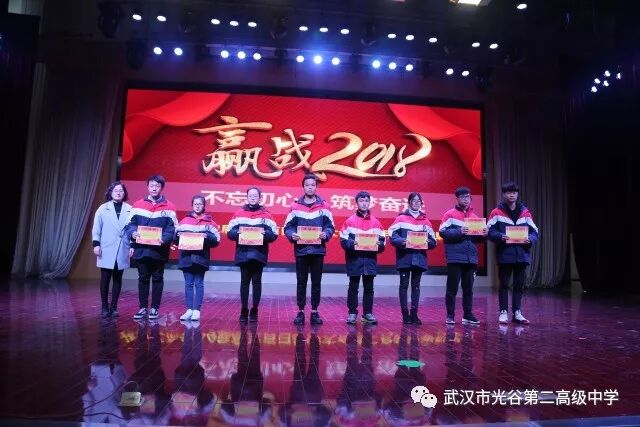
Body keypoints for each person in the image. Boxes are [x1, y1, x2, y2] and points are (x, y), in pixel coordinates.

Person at [284, 173, 335, 326]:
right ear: (303, 187)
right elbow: (288, 227)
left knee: (316, 283)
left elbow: (330, 226)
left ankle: (314, 311)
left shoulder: (324, 206)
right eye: (307, 185)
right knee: (301, 282)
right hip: (301, 250)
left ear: (316, 187)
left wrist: (326, 233)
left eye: (313, 185)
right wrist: (292, 235)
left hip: (318, 250)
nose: (310, 187)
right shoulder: (295, 206)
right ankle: (300, 311)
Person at [125, 174, 177, 320]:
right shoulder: (137, 205)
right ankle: (142, 308)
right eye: (152, 185)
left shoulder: (170, 207)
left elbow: (172, 228)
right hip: (141, 249)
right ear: (148, 187)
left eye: (157, 186)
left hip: (159, 250)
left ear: (162, 188)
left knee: (158, 278)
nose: (154, 188)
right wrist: (133, 233)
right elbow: (129, 224)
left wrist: (164, 239)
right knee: (142, 278)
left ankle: (154, 308)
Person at [488, 182, 539, 325]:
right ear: (504, 194)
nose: (512, 195)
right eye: (509, 192)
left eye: (514, 192)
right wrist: (500, 236)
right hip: (505, 254)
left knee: (518, 285)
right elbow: (489, 231)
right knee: (504, 284)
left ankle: (517, 312)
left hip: (521, 255)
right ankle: (503, 312)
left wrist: (530, 239)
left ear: (517, 194)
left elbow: (535, 231)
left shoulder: (525, 212)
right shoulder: (496, 212)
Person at [227, 187, 278, 323]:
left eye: (255, 196)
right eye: (250, 195)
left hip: (259, 254)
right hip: (243, 254)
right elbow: (229, 232)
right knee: (244, 282)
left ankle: (254, 310)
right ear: (247, 197)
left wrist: (265, 234)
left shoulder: (267, 215)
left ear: (260, 198)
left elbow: (274, 234)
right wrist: (236, 233)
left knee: (256, 282)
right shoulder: (238, 214)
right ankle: (244, 310)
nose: (253, 197)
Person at [439, 186, 488, 325]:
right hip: (455, 257)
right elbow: (442, 232)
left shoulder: (474, 217)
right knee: (452, 288)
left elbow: (478, 239)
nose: (466, 200)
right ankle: (450, 315)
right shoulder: (449, 214)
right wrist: (459, 231)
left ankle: (467, 314)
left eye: (468, 197)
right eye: (463, 197)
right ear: (457, 199)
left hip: (470, 258)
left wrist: (484, 235)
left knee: (468, 289)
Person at [389, 192, 437, 325]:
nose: (416, 203)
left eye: (419, 201)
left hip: (419, 258)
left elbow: (433, 241)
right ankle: (405, 315)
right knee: (404, 286)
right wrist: (402, 241)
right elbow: (392, 235)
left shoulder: (426, 221)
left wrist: (426, 242)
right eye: (414, 200)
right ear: (409, 202)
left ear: (421, 203)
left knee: (416, 287)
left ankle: (414, 314)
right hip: (405, 257)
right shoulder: (400, 219)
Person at [339, 191, 386, 325]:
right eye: (361, 201)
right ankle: (352, 313)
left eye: (366, 201)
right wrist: (352, 244)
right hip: (354, 260)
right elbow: (343, 240)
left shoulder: (376, 223)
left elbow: (383, 242)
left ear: (369, 203)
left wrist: (379, 245)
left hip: (370, 261)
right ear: (357, 203)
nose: (364, 203)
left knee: (369, 288)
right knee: (353, 287)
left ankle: (367, 313)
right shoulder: (349, 221)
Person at [91, 181, 133, 317]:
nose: (118, 193)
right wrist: (96, 244)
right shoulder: (103, 208)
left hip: (122, 247)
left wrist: (132, 245)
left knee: (118, 278)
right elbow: (96, 228)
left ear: (124, 193)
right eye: (115, 190)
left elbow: (133, 229)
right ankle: (104, 306)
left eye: (121, 191)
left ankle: (114, 307)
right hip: (106, 247)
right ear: (110, 192)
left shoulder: (130, 209)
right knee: (105, 278)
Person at [176, 195, 220, 322]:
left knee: (199, 284)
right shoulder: (184, 221)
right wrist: (177, 235)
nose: (197, 206)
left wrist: (207, 236)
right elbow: (175, 238)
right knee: (188, 284)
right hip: (186, 257)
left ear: (204, 206)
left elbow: (217, 240)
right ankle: (189, 309)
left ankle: (196, 310)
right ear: (192, 205)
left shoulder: (210, 223)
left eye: (200, 204)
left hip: (201, 258)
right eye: (195, 204)